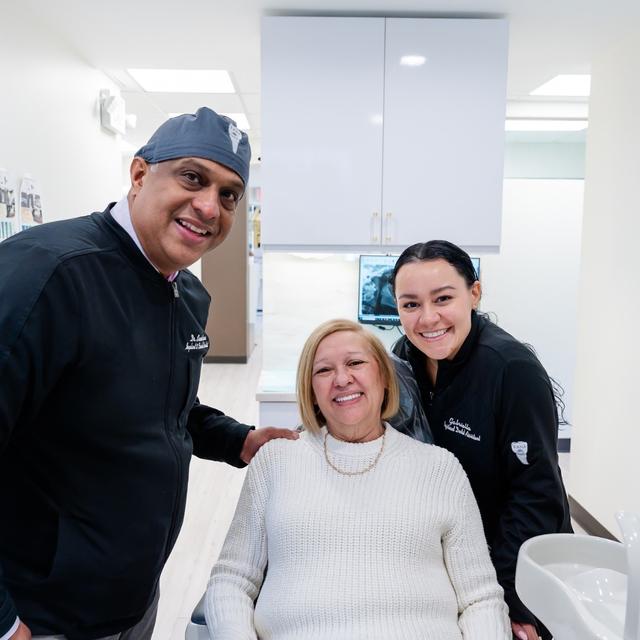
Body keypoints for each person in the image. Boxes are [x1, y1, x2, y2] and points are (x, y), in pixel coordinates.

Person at [0, 108, 297, 640]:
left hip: (132, 599)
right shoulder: (44, 275)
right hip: (43, 615)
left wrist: (241, 440)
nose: (209, 206)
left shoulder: (186, 292)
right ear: (139, 175)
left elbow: (162, 404)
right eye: (192, 177)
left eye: (229, 194)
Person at [205, 318, 511, 639]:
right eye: (323, 370)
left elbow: (480, 597)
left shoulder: (439, 468)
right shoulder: (276, 461)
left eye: (355, 363)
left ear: (384, 378)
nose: (341, 378)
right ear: (310, 391)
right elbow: (232, 580)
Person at [390, 240, 572, 640]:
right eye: (411, 304)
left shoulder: (512, 370)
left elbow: (536, 493)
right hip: (452, 561)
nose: (428, 318)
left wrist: (508, 595)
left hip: (515, 563)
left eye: (443, 298)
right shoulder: (405, 356)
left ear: (474, 293)